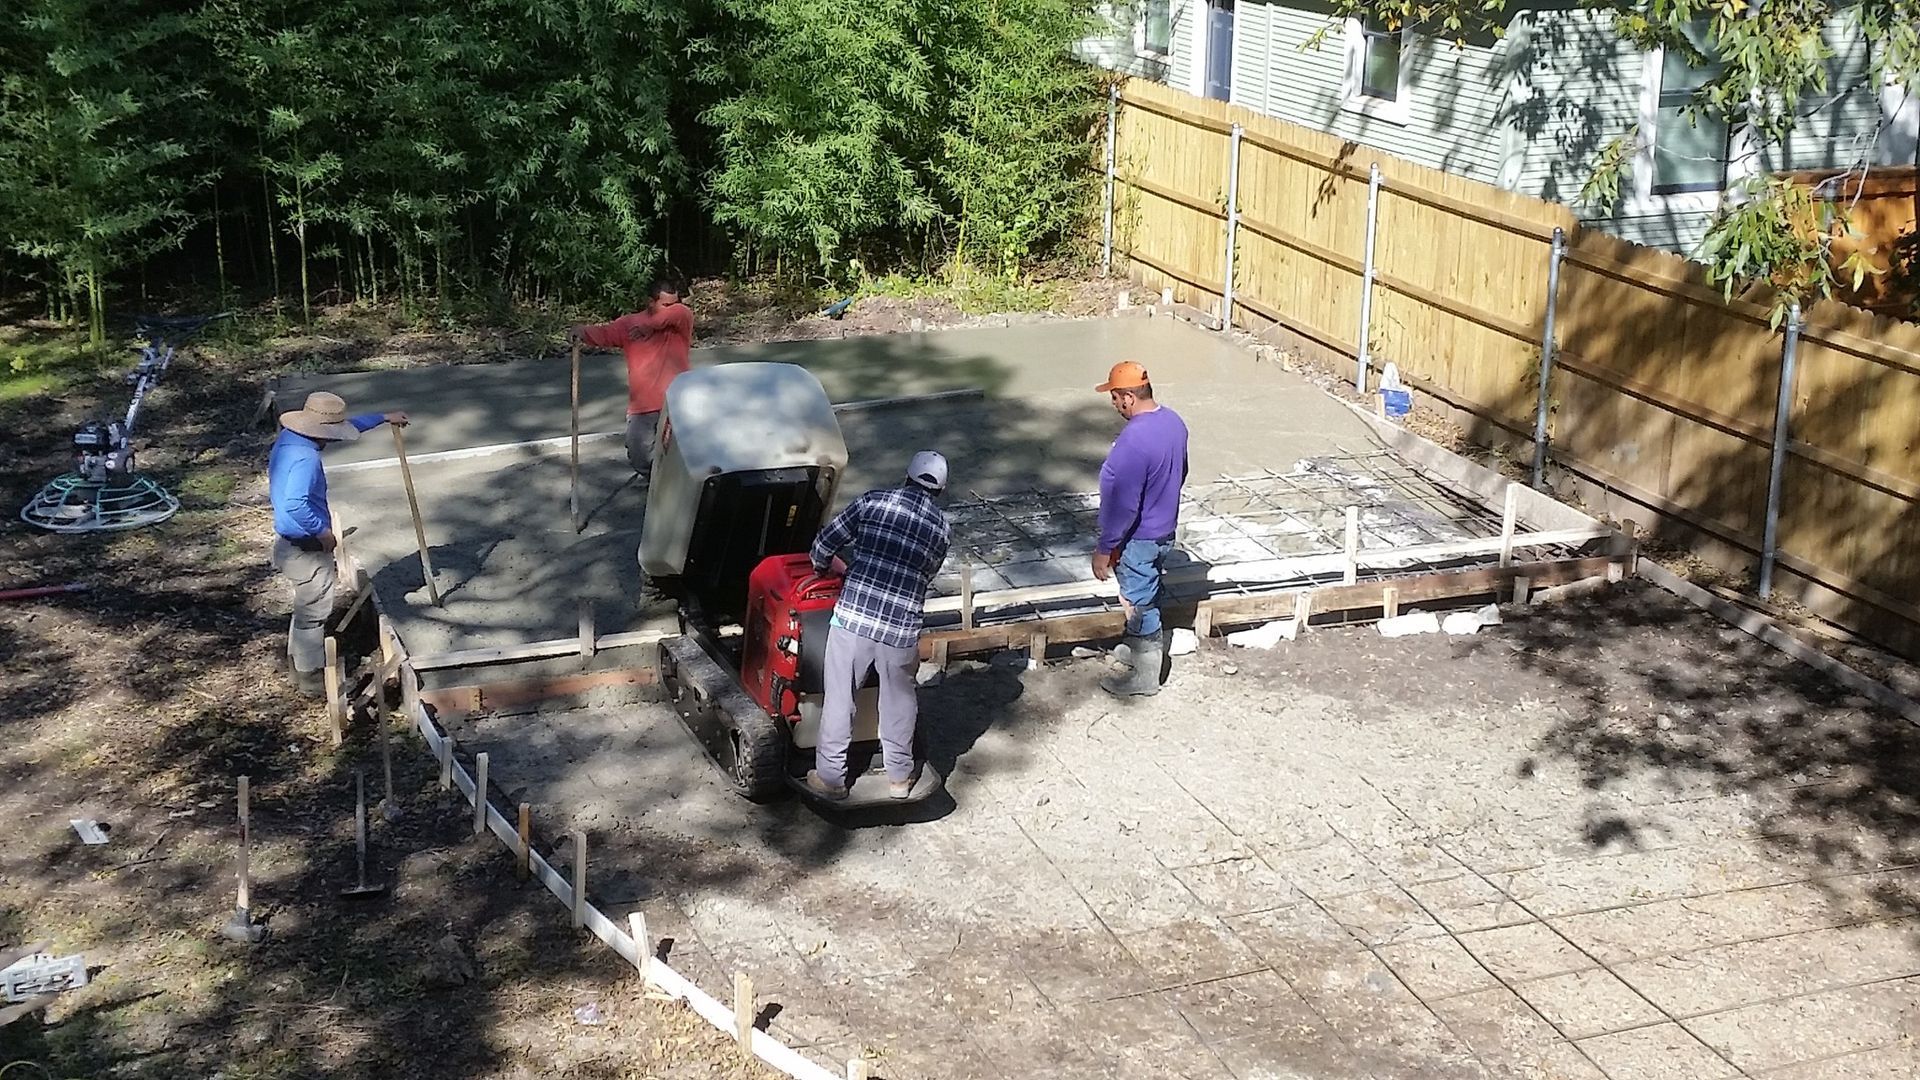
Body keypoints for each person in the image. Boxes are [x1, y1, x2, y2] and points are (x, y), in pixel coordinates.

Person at [805, 451, 953, 801]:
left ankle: (831, 777)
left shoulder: (872, 502)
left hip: (853, 619)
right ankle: (900, 778)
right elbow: (927, 573)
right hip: (901, 630)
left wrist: (822, 567)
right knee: (899, 702)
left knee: (841, 698)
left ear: (907, 476)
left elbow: (825, 544)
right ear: (940, 490)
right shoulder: (942, 528)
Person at [269, 392, 409, 696]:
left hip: (287, 544)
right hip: (304, 547)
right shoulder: (306, 459)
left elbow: (349, 425)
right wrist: (322, 532)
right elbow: (295, 504)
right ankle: (312, 678)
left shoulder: (290, 440)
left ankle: (298, 663)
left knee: (305, 607)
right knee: (314, 613)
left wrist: (383, 418)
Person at [1090, 361, 1189, 698]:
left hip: (1139, 537)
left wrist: (1105, 549)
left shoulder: (1133, 440)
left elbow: (1123, 504)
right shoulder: (1174, 423)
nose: (1114, 404)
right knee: (1149, 592)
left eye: (1115, 397)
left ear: (1129, 397)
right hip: (1165, 531)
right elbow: (1181, 473)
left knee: (1137, 601)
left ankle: (1145, 679)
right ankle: (1139, 650)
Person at [568, 279, 694, 481]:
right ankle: (656, 483)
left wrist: (650, 326)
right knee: (638, 453)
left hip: (677, 401)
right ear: (650, 302)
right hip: (644, 403)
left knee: (681, 453)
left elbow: (680, 312)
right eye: (666, 305)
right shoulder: (629, 324)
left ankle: (672, 489)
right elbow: (606, 334)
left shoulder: (680, 321)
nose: (673, 308)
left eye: (675, 303)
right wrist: (583, 332)